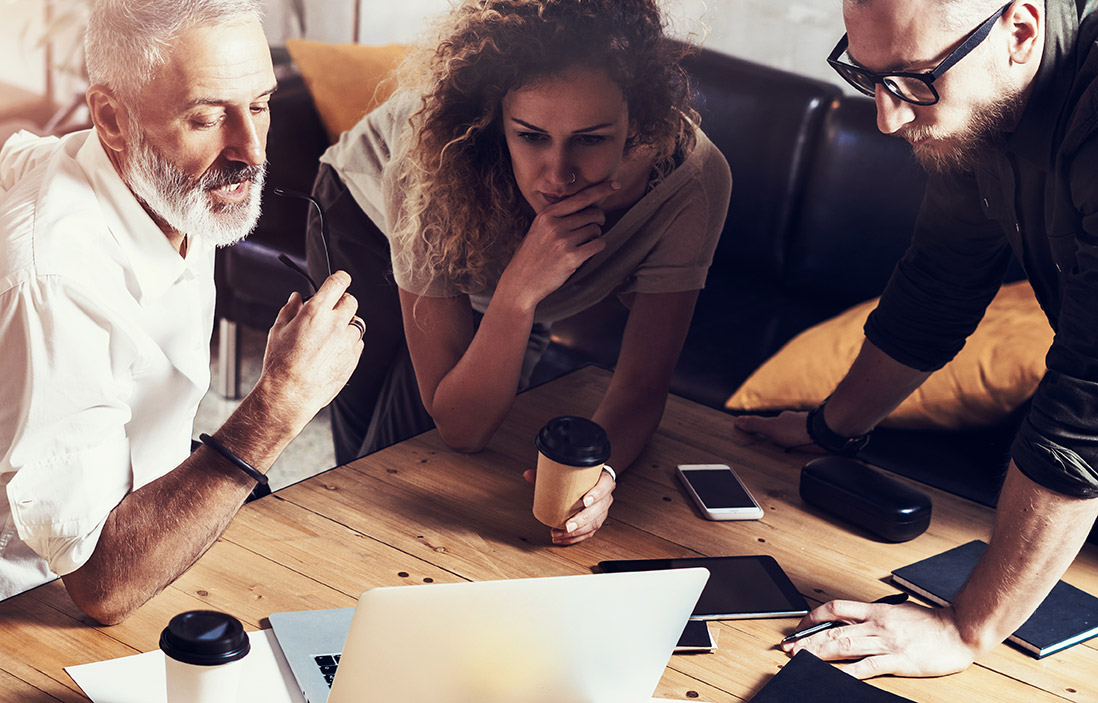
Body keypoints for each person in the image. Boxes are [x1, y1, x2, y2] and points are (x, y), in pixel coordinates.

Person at [736, 0, 1098, 678]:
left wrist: (964, 629)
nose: (887, 116)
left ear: (1020, 31)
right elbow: (939, 282)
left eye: (914, 79)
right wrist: (832, 428)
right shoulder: (984, 107)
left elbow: (1087, 406)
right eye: (868, 74)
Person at [308, 0, 730, 545]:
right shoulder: (432, 163)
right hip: (361, 217)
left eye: (592, 138)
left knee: (419, 451)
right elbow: (461, 428)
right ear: (495, 121)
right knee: (375, 461)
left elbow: (642, 385)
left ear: (638, 125)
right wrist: (517, 293)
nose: (559, 176)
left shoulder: (691, 182)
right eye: (530, 136)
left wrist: (601, 471)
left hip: (494, 263)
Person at [0, 0, 364, 624]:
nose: (250, 151)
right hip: (35, 608)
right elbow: (101, 587)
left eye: (259, 105)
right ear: (111, 119)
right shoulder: (56, 275)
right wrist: (278, 405)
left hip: (155, 542)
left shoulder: (168, 187)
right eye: (205, 118)